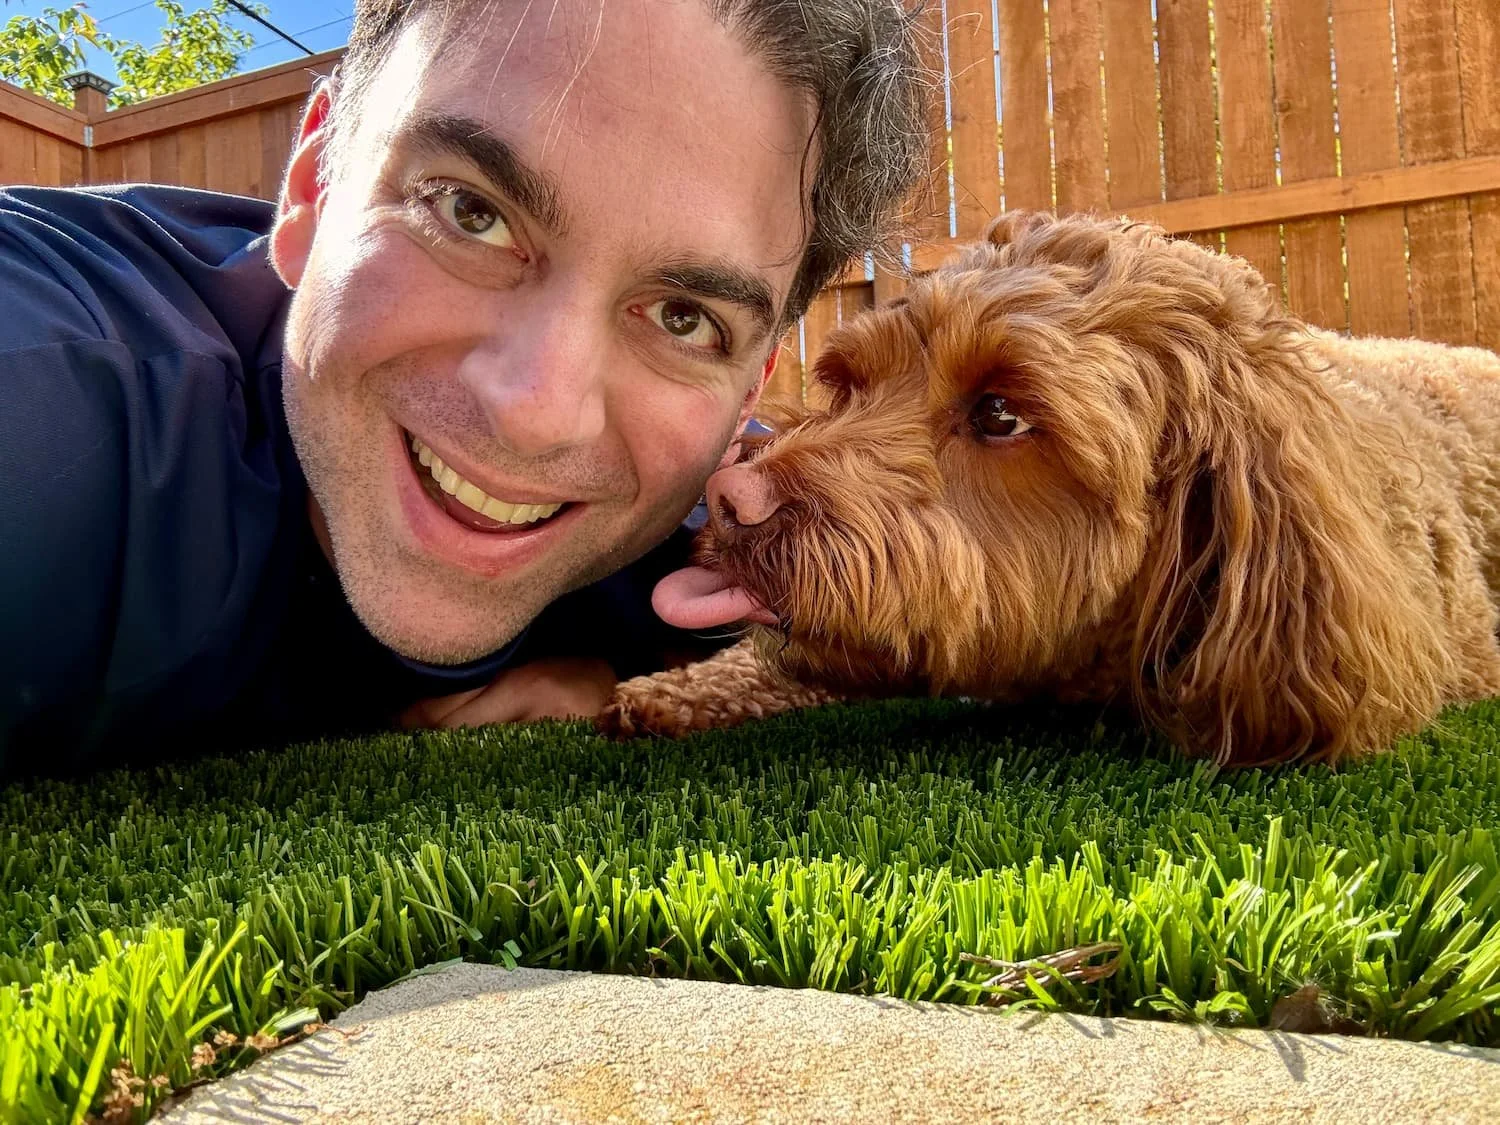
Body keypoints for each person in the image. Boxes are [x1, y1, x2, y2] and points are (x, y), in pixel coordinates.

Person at [0, 0, 928, 777]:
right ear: (314, 184)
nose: (534, 409)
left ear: (746, 393)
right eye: (471, 211)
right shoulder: (50, 399)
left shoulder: (743, 550)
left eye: (684, 318)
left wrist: (630, 680)